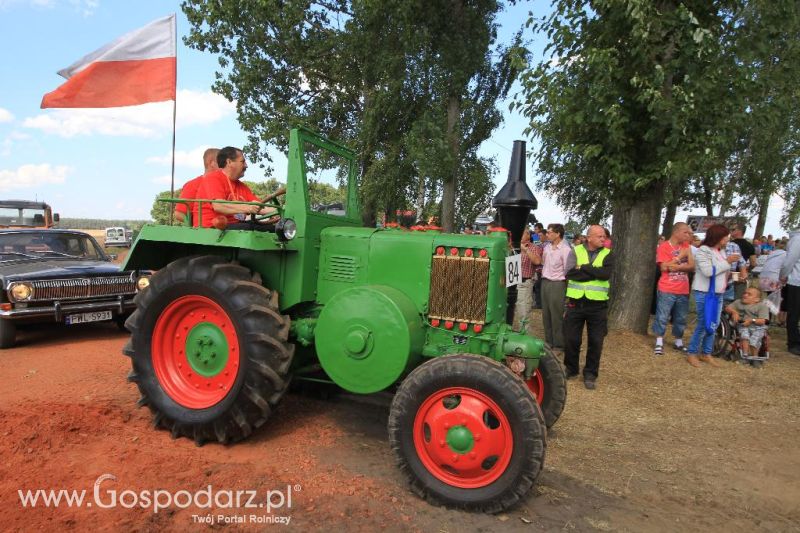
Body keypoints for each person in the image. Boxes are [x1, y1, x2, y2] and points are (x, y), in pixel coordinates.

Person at [562, 225, 613, 390]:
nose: (603, 239)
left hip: (597, 306)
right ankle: (571, 369)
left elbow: (605, 274)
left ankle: (590, 374)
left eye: (604, 237)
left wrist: (583, 267)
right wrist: (593, 271)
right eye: (599, 236)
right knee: (571, 339)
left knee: (596, 341)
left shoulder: (608, 254)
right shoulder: (575, 251)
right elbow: (569, 273)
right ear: (589, 237)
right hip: (576, 303)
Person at [686, 224, 739, 367]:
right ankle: (692, 352)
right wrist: (727, 262)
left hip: (718, 293)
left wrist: (730, 276)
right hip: (704, 292)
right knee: (704, 324)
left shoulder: (720, 251)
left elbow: (720, 271)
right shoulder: (703, 251)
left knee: (713, 324)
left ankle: (706, 353)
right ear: (717, 236)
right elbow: (708, 271)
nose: (728, 239)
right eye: (725, 236)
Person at [196, 147, 278, 230]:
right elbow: (219, 206)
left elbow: (260, 207)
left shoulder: (242, 186)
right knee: (251, 228)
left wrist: (280, 211)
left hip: (234, 225)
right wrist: (248, 207)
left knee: (274, 229)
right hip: (211, 227)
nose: (246, 165)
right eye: (242, 162)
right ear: (229, 162)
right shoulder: (213, 178)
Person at [652, 222, 695, 355]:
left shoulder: (687, 246)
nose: (688, 235)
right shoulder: (664, 247)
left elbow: (692, 266)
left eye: (689, 233)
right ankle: (659, 341)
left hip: (683, 288)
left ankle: (678, 341)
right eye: (685, 232)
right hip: (667, 287)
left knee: (681, 317)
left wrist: (675, 266)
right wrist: (680, 257)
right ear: (676, 232)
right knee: (662, 315)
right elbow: (663, 268)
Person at [530, 223, 571, 353]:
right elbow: (542, 262)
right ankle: (549, 342)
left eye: (549, 232)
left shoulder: (565, 250)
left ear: (558, 234)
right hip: (545, 282)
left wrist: (567, 291)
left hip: (557, 284)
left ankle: (559, 345)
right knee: (546, 314)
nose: (546, 234)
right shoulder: (547, 247)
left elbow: (568, 271)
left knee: (556, 315)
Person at [724, 287, 770, 367]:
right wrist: (734, 312)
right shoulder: (738, 302)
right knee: (744, 336)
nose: (745, 295)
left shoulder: (762, 306)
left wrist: (751, 320)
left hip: (758, 326)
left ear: (757, 299)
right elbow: (727, 308)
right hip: (743, 325)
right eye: (745, 293)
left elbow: (763, 321)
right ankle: (745, 356)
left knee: (754, 340)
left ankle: (755, 358)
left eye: (749, 294)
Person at [174, 148, 219, 226]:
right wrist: (197, 223)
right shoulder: (194, 184)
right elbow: (179, 213)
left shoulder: (227, 183)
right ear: (212, 163)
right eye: (222, 162)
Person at [780, 227, 800, 355]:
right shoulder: (797, 239)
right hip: (797, 281)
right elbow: (789, 261)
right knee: (794, 313)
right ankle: (793, 343)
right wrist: (783, 275)